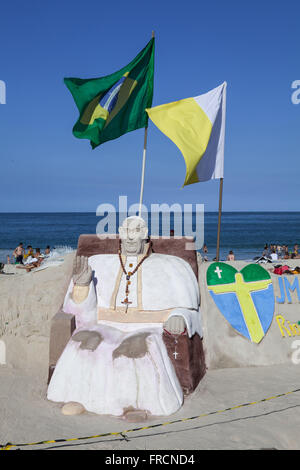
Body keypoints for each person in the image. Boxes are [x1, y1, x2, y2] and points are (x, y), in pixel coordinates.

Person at [47, 216, 202, 418]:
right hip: (104, 325)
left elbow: (189, 308)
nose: (129, 238)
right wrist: (82, 286)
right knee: (84, 342)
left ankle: (133, 405)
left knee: (134, 351)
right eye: (126, 231)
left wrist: (179, 315)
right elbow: (80, 314)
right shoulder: (98, 264)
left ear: (145, 236)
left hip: (147, 328)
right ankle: (77, 397)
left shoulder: (170, 266)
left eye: (135, 231)